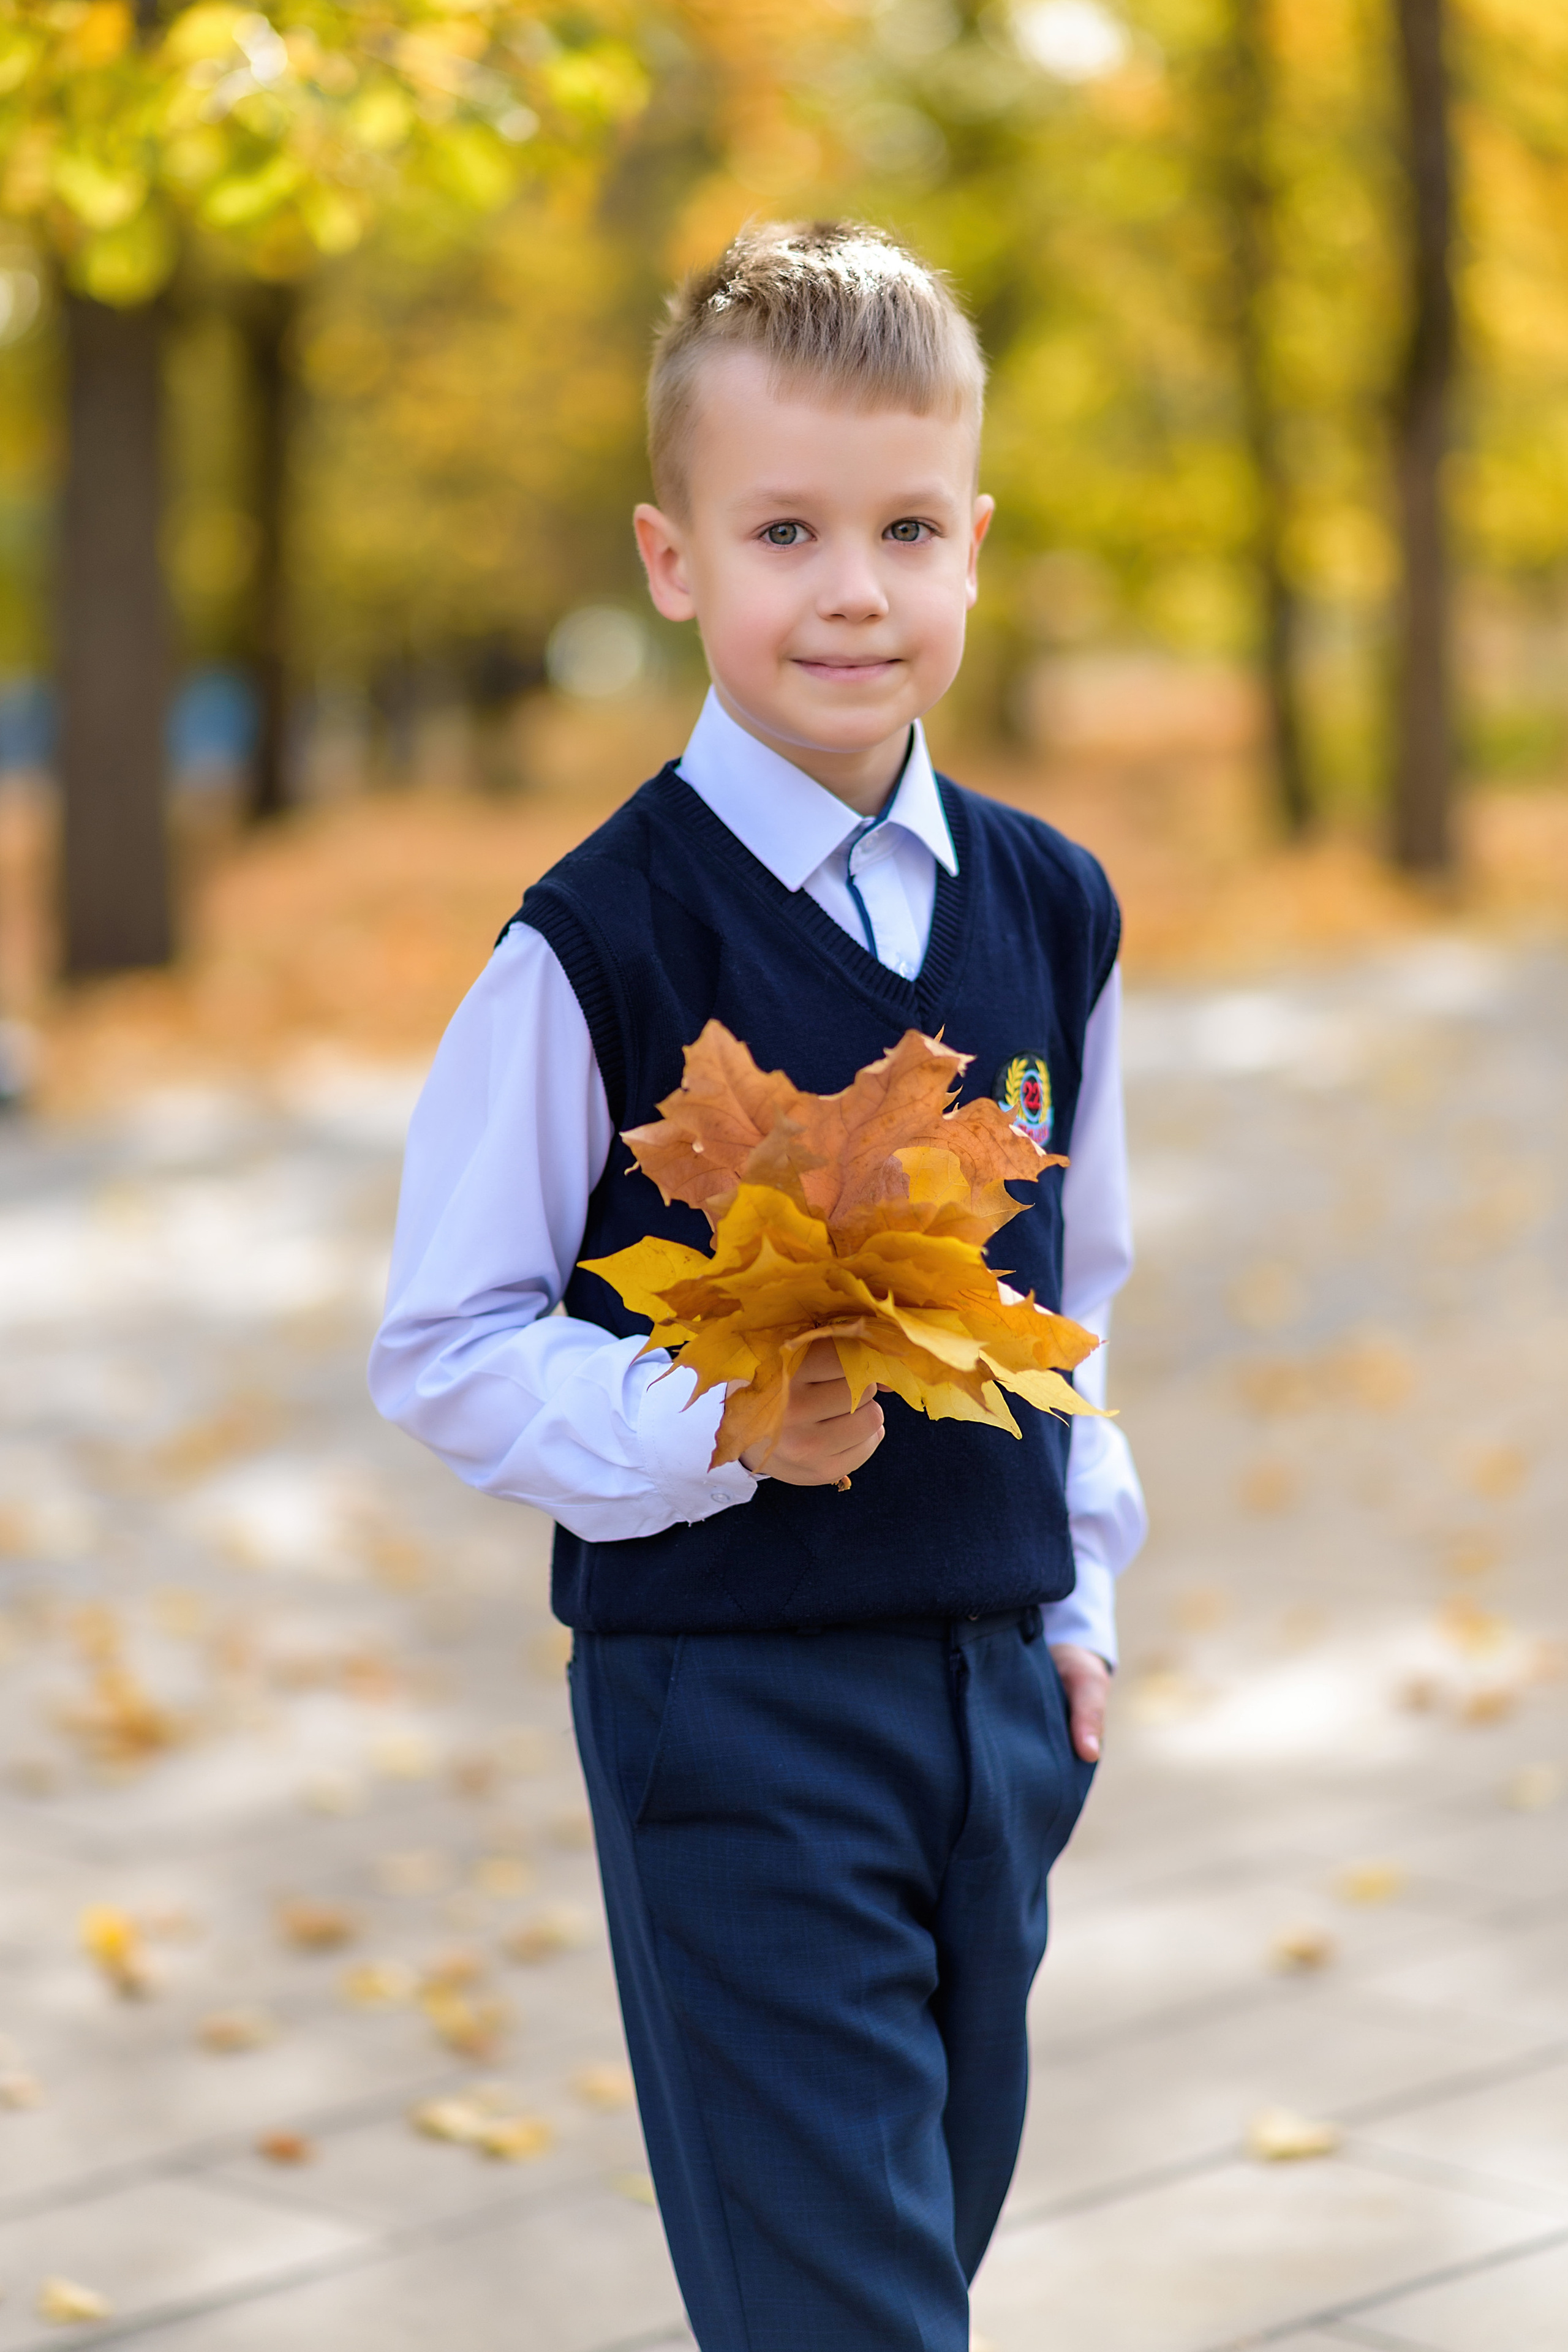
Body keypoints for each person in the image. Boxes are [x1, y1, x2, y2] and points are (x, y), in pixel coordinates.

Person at [371, 220, 1147, 2352]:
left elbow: (1076, 1294)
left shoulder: (1050, 911)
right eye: (785, 528)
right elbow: (443, 1341)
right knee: (849, 2314)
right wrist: (709, 1427)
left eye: (905, 527)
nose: (854, 588)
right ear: (672, 558)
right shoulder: (595, 947)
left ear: (975, 545)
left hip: (993, 1702)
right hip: (733, 1709)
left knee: (921, 2244)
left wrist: (1074, 1604)